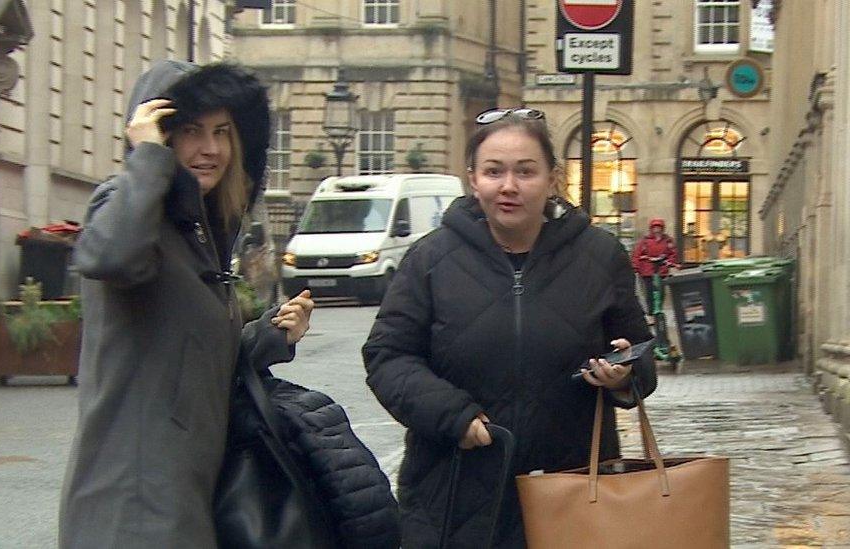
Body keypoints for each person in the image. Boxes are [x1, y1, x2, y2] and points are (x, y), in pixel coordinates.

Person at [362, 108, 657, 548]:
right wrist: (452, 415)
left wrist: (624, 375)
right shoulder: (430, 259)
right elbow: (388, 355)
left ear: (553, 179)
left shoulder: (599, 255)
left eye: (526, 171)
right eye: (494, 171)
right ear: (473, 179)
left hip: (572, 486)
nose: (509, 186)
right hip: (453, 490)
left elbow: (641, 351)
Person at [59, 61, 315, 548]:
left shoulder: (194, 236)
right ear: (161, 134)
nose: (212, 149)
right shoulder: (127, 208)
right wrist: (147, 158)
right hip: (132, 505)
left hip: (183, 496)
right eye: (192, 131)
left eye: (222, 132)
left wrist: (269, 336)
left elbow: (187, 360)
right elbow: (107, 257)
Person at [631, 218, 679, 309]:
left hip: (661, 269)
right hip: (647, 270)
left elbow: (673, 253)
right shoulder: (645, 241)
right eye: (655, 227)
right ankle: (651, 311)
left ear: (662, 228)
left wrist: (670, 262)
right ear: (651, 229)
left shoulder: (668, 240)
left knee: (660, 291)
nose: (657, 230)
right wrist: (635, 267)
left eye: (659, 227)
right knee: (649, 292)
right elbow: (637, 254)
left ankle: (659, 309)